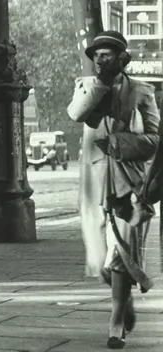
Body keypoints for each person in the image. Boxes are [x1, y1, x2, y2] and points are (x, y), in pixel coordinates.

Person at [67, 30, 159, 349]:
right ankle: (127, 296)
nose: (98, 59)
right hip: (94, 186)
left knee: (120, 253)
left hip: (128, 184)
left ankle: (116, 323)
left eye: (105, 54)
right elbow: (76, 113)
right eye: (95, 55)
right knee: (100, 259)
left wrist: (121, 144)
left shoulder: (142, 92)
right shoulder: (86, 87)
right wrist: (99, 87)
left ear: (121, 58)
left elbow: (155, 139)